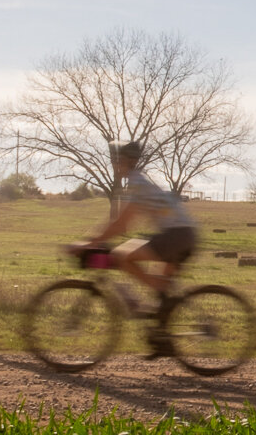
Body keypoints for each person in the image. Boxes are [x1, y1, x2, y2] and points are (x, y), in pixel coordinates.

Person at [72, 141, 200, 356]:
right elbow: (122, 224)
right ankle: (162, 341)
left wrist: (92, 242)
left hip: (177, 235)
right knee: (161, 292)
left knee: (122, 256)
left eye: (117, 160)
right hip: (181, 234)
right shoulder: (137, 182)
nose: (114, 163)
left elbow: (121, 224)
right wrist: (98, 239)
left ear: (126, 161)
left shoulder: (136, 183)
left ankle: (146, 303)